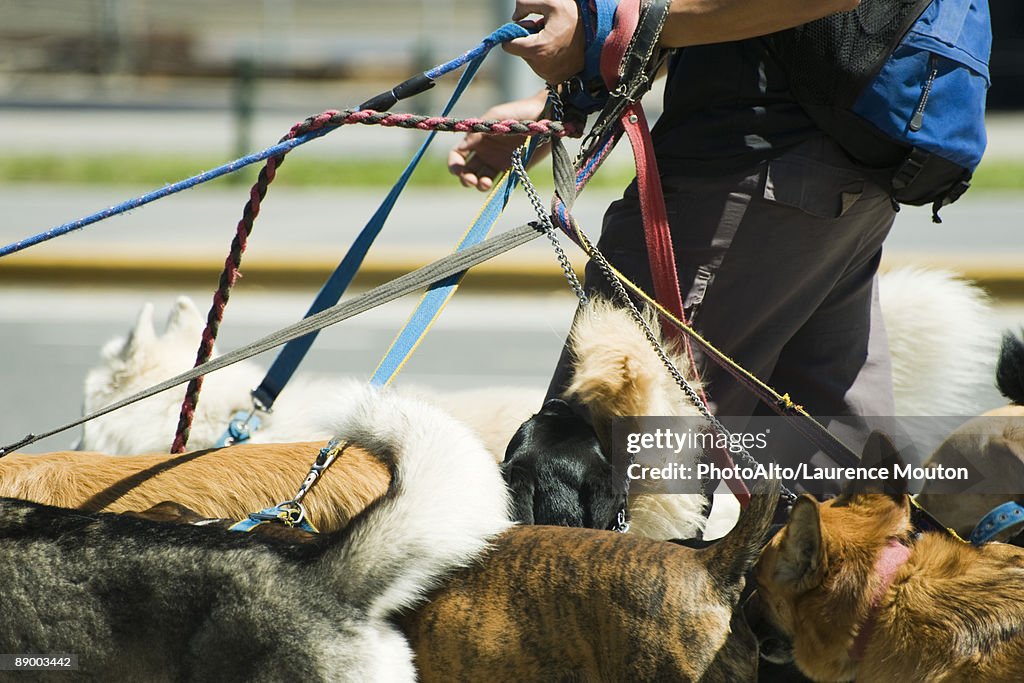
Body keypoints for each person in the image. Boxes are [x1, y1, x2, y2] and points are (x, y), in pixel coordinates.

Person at [450, 0, 896, 475]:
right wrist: (558, 102)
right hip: (864, 168)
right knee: (835, 498)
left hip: (744, 171)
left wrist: (610, 24)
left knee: (593, 473)